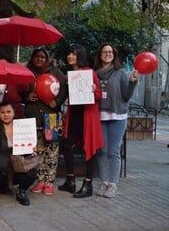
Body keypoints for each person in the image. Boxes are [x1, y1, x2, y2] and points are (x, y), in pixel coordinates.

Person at [58, 44, 103, 198]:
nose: (70, 56)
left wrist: (93, 90)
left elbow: (99, 95)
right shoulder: (71, 74)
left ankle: (88, 184)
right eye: (69, 54)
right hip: (75, 115)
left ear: (80, 56)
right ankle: (70, 180)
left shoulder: (90, 73)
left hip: (87, 115)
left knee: (89, 148)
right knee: (66, 144)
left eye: (74, 54)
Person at [94, 43, 138, 198]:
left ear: (114, 55)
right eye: (105, 51)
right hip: (100, 117)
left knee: (113, 151)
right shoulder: (95, 74)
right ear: (100, 55)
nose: (108, 54)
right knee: (102, 151)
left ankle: (113, 184)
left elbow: (126, 95)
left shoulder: (121, 73)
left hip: (118, 117)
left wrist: (133, 82)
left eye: (110, 52)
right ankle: (104, 181)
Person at [23, 48, 68, 195]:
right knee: (38, 150)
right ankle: (40, 180)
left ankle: (49, 182)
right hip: (33, 117)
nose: (39, 59)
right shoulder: (27, 72)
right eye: (36, 56)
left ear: (47, 58)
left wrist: (57, 101)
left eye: (43, 57)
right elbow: (19, 92)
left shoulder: (55, 71)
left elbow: (64, 89)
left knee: (52, 151)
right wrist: (27, 97)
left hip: (52, 117)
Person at [0, 101, 36, 206]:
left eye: (9, 111)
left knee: (32, 173)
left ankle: (21, 192)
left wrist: (32, 150)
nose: (6, 115)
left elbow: (26, 151)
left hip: (15, 170)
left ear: (14, 113)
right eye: (2, 112)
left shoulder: (23, 128)